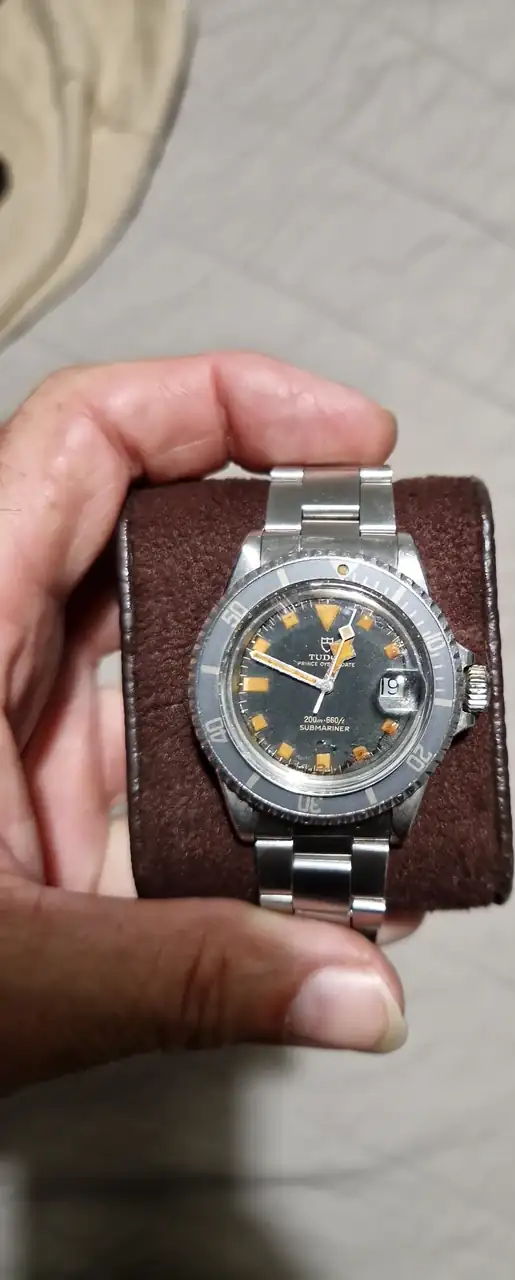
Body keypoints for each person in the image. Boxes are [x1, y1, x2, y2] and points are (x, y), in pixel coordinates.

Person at [0, 352, 419, 1097]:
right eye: (313, 674)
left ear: (458, 689)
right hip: (292, 774)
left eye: (327, 676)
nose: (326, 684)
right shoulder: (259, 580)